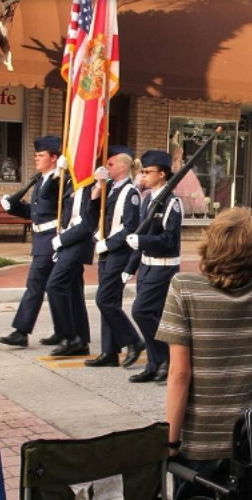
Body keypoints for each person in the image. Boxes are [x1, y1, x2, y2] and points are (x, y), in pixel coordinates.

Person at [156, 206, 252, 479]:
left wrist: (171, 442)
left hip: (197, 445)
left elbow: (179, 373)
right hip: (250, 440)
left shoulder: (183, 288)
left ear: (210, 244)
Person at [0, 135, 65, 348]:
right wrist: (13, 207)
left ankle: (21, 331)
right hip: (40, 239)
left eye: (41, 155)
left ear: (54, 158)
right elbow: (35, 211)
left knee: (36, 284)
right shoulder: (40, 179)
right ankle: (63, 330)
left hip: (51, 239)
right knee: (54, 287)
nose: (36, 159)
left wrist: (64, 172)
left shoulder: (59, 180)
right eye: (35, 155)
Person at [87, 145, 145, 368]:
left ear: (123, 166)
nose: (106, 167)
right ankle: (109, 352)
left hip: (119, 253)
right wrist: (97, 186)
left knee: (104, 299)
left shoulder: (130, 193)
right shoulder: (109, 187)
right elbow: (91, 211)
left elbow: (130, 227)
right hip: (105, 251)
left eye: (110, 164)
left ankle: (133, 341)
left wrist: (107, 244)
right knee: (109, 301)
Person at [127, 150, 182, 384]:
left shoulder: (172, 203)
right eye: (142, 171)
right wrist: (129, 268)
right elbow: (142, 237)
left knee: (140, 311)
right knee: (156, 316)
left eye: (148, 172)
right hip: (146, 266)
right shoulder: (148, 199)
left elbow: (170, 239)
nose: (143, 176)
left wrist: (142, 241)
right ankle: (154, 364)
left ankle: (166, 358)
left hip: (164, 267)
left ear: (162, 174)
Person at [45, 171, 96, 357]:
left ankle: (67, 336)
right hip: (68, 240)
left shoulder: (93, 185)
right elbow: (46, 196)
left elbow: (87, 224)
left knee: (55, 285)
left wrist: (63, 239)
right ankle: (80, 340)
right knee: (74, 290)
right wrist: (55, 176)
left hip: (78, 242)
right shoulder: (69, 182)